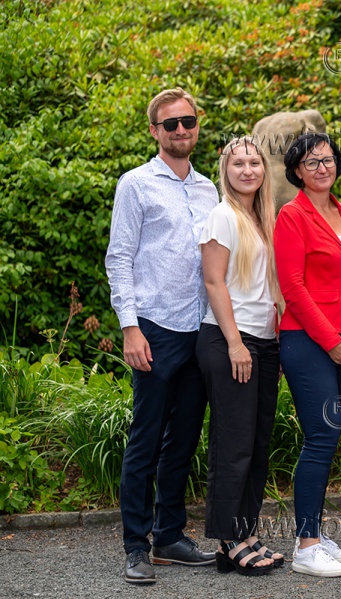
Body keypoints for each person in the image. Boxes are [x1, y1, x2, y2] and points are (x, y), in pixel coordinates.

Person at [105, 87, 217, 584]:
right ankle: (136, 546)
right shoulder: (135, 184)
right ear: (154, 131)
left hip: (199, 329)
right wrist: (130, 327)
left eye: (187, 121)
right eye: (170, 124)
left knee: (184, 440)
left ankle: (169, 536)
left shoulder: (209, 189)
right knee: (146, 441)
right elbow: (119, 258)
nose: (180, 130)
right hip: (154, 327)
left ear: (197, 126)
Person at [274, 133, 341, 577]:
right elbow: (292, 287)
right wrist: (332, 341)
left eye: (328, 160)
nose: (322, 168)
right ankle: (306, 546)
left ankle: (314, 531)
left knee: (329, 437)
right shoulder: (291, 216)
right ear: (297, 170)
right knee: (320, 438)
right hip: (307, 341)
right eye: (311, 162)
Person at [195, 136, 281, 576]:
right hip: (231, 341)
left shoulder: (262, 219)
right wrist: (234, 343)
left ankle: (245, 532)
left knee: (257, 444)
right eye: (238, 164)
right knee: (233, 445)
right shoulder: (222, 216)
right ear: (225, 172)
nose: (248, 170)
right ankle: (227, 539)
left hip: (264, 342)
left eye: (254, 163)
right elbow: (214, 282)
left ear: (264, 170)